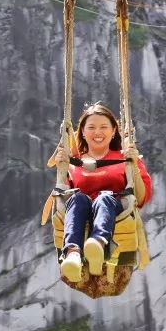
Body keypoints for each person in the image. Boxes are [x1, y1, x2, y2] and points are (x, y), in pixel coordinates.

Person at [53, 103, 152, 282]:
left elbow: (141, 198)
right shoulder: (73, 161)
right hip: (81, 209)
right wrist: (62, 165)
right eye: (91, 127)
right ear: (82, 132)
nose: (97, 132)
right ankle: (73, 252)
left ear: (114, 131)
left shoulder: (126, 158)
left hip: (114, 207)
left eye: (104, 127)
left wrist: (134, 164)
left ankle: (97, 243)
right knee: (77, 198)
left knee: (104, 198)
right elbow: (63, 194)